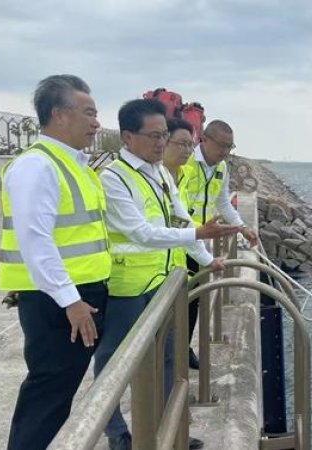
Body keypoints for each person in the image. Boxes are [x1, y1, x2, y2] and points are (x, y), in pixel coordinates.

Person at [95, 99, 239, 450]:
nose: (161, 143)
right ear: (128, 137)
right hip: (127, 286)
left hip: (163, 282)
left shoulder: (159, 173)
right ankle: (117, 433)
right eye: (154, 136)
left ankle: (171, 428)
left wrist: (206, 259)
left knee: (169, 356)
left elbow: (180, 219)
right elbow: (141, 233)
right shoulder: (114, 178)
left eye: (164, 135)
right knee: (115, 362)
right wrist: (198, 234)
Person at [0, 74, 110, 449]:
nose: (96, 123)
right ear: (60, 114)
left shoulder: (74, 165)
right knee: (48, 393)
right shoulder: (38, 166)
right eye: (88, 113)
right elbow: (35, 241)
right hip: (57, 301)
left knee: (58, 393)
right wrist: (71, 301)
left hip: (76, 295)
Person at [180, 120, 257, 369]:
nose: (225, 152)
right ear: (205, 139)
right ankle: (170, 353)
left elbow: (222, 202)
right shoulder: (185, 164)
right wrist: (206, 256)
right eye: (221, 145)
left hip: (200, 240)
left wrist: (242, 227)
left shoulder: (221, 167)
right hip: (181, 239)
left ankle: (182, 349)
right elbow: (177, 209)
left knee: (193, 300)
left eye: (229, 147)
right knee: (176, 299)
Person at [162, 117, 196, 272]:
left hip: (178, 265)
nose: (188, 150)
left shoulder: (185, 176)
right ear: (164, 141)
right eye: (182, 144)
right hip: (154, 270)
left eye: (190, 145)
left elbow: (180, 220)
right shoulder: (151, 177)